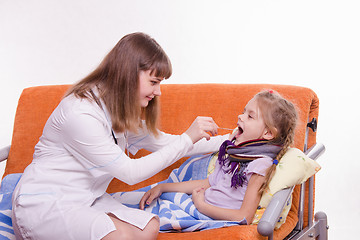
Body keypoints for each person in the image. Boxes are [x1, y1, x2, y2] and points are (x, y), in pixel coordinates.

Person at [11, 32, 228, 240]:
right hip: (44, 205)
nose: (159, 92)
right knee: (121, 235)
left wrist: (233, 140)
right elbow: (130, 173)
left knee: (148, 227)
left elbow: (169, 144)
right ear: (128, 75)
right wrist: (187, 138)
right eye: (154, 82)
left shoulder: (119, 113)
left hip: (87, 200)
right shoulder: (80, 113)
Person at [139, 90, 298, 225]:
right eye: (243, 111)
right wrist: (162, 187)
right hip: (200, 204)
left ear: (268, 133)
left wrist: (201, 205)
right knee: (153, 202)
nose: (240, 117)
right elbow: (209, 182)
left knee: (151, 220)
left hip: (208, 213)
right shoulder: (235, 154)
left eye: (250, 116)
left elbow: (244, 217)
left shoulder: (260, 165)